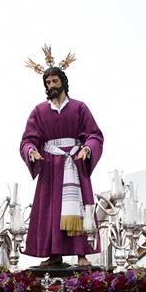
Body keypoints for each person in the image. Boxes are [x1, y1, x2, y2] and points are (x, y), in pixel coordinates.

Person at [20, 66, 103, 267]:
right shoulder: (39, 111)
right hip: (50, 166)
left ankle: (82, 254)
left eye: (55, 81)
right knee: (51, 209)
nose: (51, 86)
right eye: (48, 83)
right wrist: (31, 151)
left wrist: (88, 149)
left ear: (63, 82)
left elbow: (94, 135)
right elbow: (27, 139)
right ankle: (54, 254)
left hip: (75, 164)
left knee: (80, 207)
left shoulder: (79, 107)